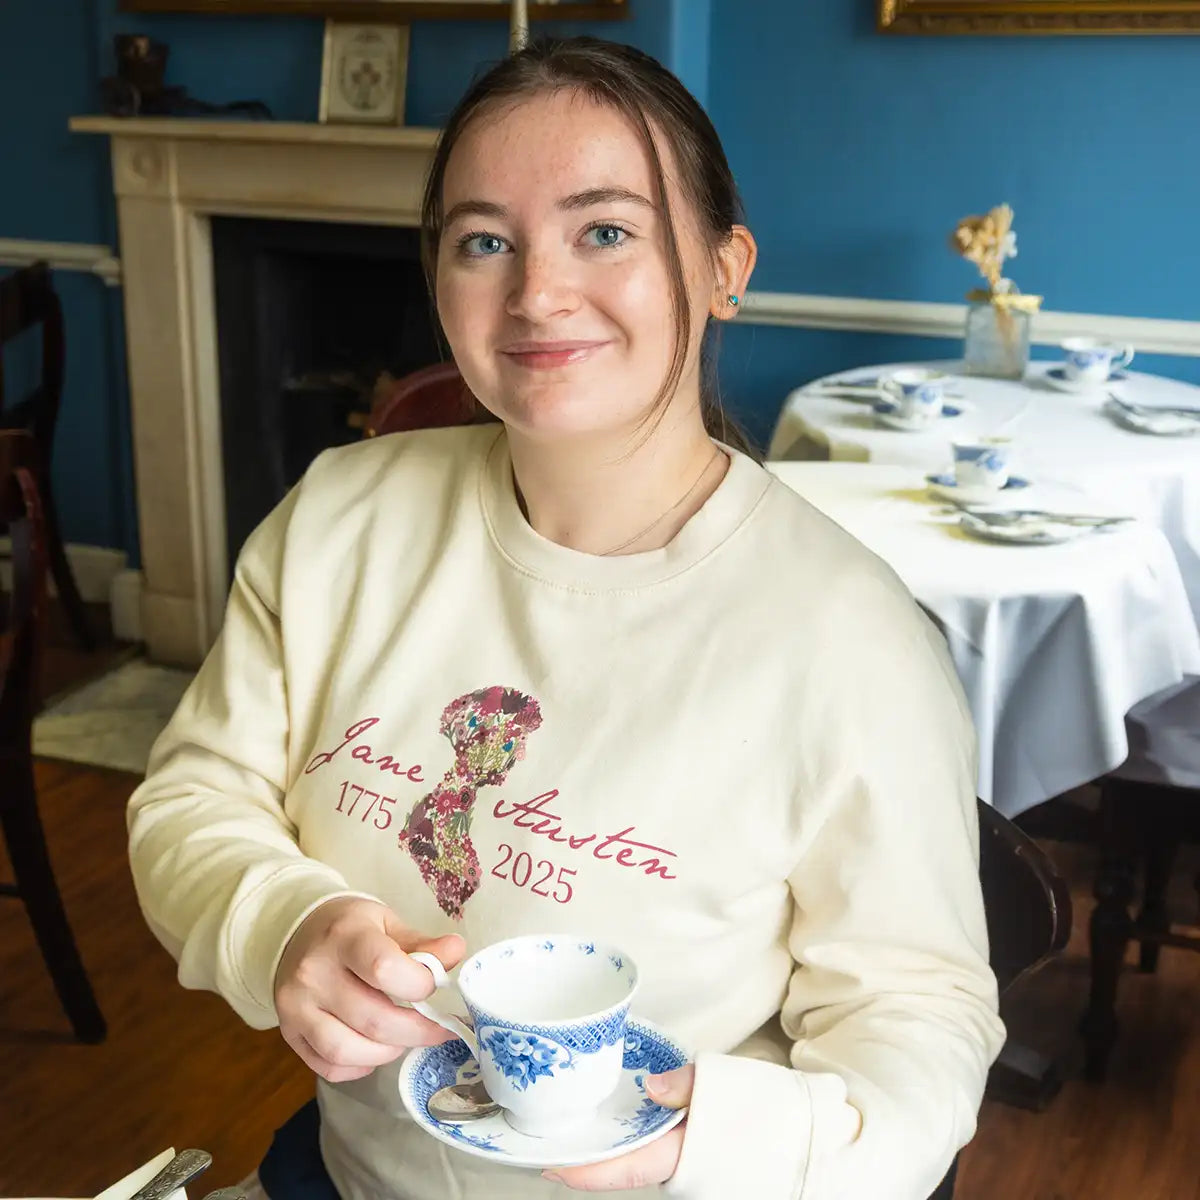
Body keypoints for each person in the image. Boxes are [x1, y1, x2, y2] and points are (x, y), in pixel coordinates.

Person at [127, 35, 1004, 1200]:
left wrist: (717, 1151)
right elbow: (193, 798)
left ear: (724, 265)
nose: (537, 292)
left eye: (606, 230)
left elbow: (919, 1015)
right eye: (484, 241)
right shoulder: (341, 515)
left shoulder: (848, 638)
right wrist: (289, 923)